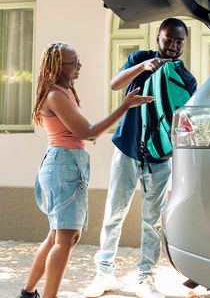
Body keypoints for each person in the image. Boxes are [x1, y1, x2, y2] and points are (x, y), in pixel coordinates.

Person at [16, 42, 155, 298]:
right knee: (66, 238)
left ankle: (28, 293)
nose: (79, 65)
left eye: (78, 59)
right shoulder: (56, 95)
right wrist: (124, 107)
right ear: (58, 66)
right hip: (63, 164)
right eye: (73, 62)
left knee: (59, 235)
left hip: (66, 163)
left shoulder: (63, 91)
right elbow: (88, 132)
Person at [84, 18, 197, 298]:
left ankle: (145, 278)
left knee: (152, 221)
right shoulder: (140, 59)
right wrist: (143, 67)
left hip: (160, 158)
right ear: (157, 38)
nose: (172, 45)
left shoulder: (186, 78)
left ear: (185, 43)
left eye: (178, 41)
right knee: (114, 214)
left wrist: (172, 150)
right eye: (167, 39)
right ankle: (104, 274)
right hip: (127, 149)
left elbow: (185, 121)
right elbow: (114, 84)